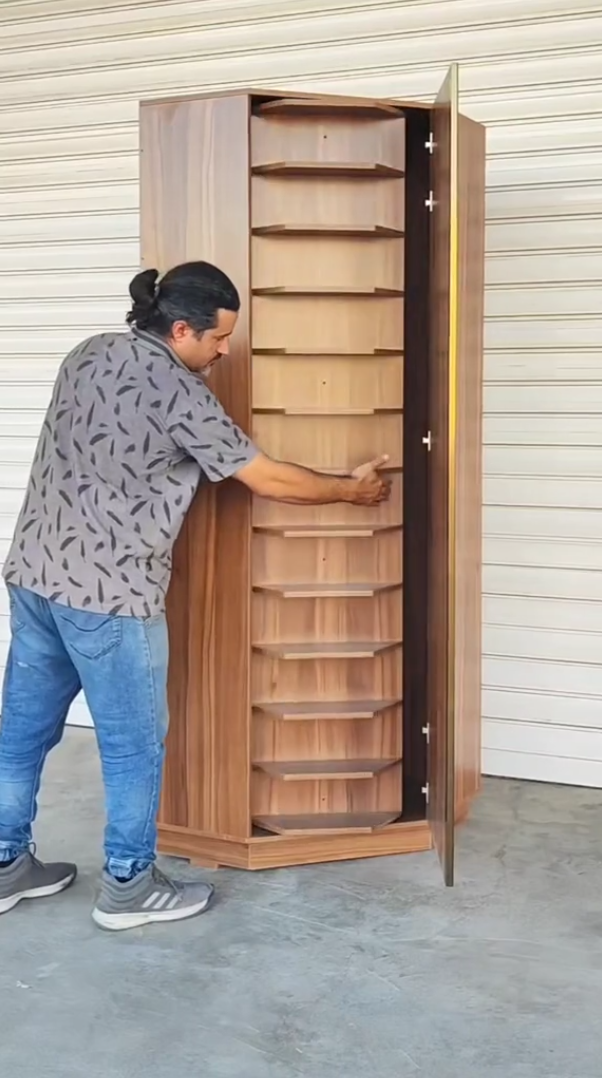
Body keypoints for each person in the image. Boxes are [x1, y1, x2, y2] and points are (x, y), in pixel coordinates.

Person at [0, 261, 390, 931]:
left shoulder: (87, 351)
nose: (223, 351)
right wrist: (349, 491)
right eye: (217, 339)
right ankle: (128, 885)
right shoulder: (178, 392)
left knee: (21, 732)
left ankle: (6, 864)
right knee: (133, 745)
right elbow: (265, 478)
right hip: (111, 598)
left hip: (36, 578)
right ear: (181, 329)